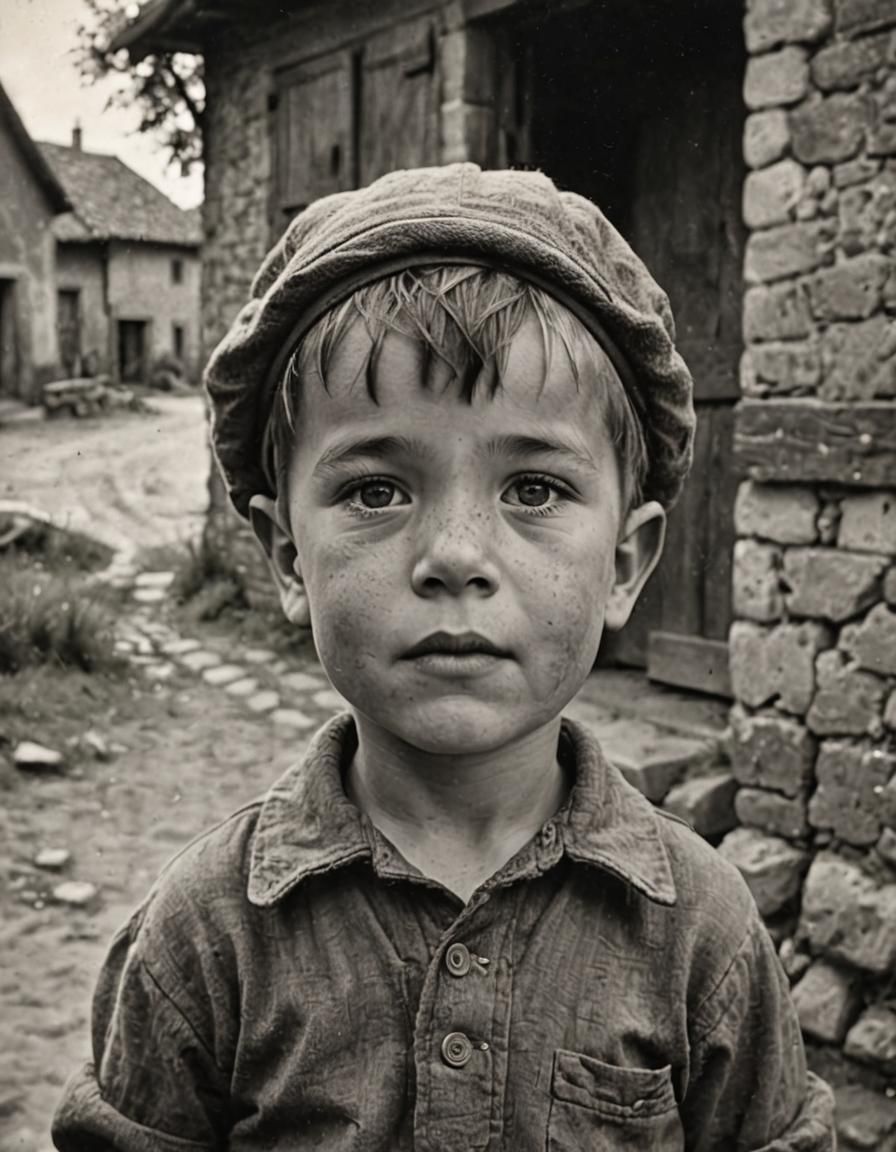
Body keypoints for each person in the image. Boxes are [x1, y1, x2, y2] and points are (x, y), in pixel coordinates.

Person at [52, 164, 835, 1150]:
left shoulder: (701, 936)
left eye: (535, 489)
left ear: (624, 564)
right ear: (286, 557)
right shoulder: (205, 938)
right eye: (376, 491)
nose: (455, 554)